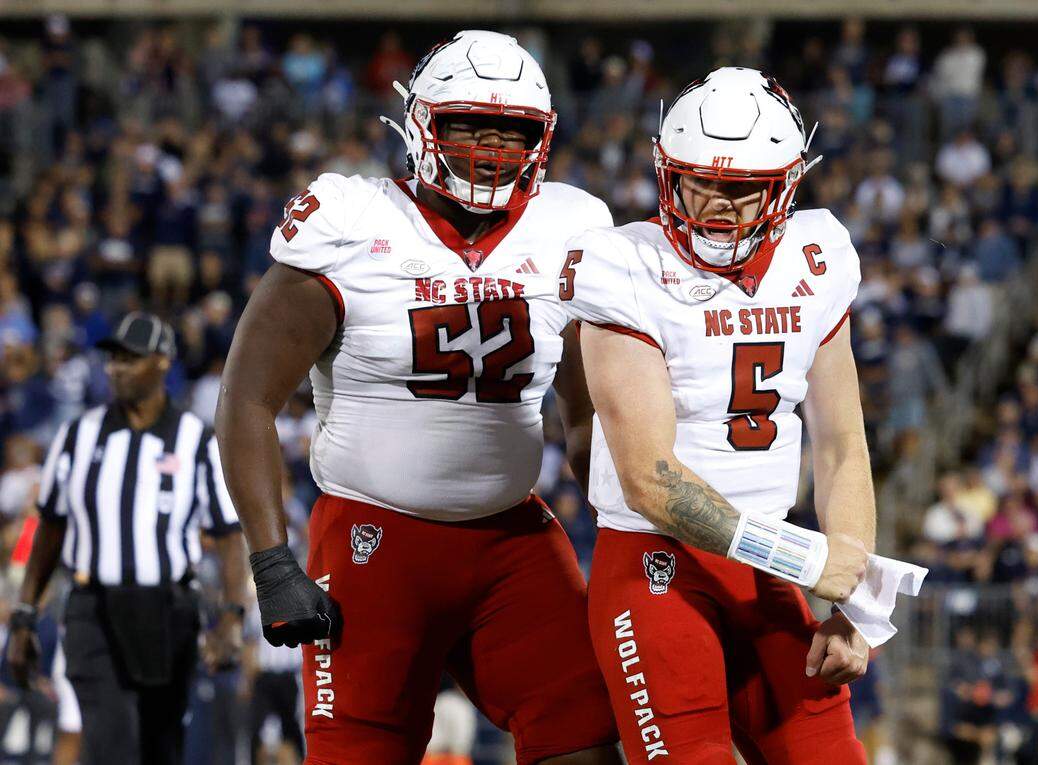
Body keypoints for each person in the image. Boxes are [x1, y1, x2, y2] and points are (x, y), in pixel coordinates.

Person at [215, 30, 621, 765]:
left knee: (585, 733)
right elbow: (246, 396)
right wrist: (271, 563)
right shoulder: (351, 222)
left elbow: (585, 409)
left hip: (511, 539)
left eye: (513, 128)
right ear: (421, 124)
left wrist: (620, 522)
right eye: (469, 122)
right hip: (377, 540)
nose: (493, 144)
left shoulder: (574, 227)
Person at [557, 68, 874, 763]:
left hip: (765, 568)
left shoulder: (816, 256)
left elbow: (843, 443)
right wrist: (803, 558)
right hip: (654, 561)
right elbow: (650, 480)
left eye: (741, 187)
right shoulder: (623, 262)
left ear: (785, 186)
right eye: (698, 180)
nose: (715, 202)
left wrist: (852, 606)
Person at [7, 312, 247, 764]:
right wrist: (24, 613)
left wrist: (232, 616)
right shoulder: (78, 435)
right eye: (113, 358)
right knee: (108, 742)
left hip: (168, 612)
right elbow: (51, 528)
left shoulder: (194, 439)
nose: (115, 367)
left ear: (161, 362)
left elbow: (227, 533)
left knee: (160, 748)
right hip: (91, 610)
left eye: (129, 358)